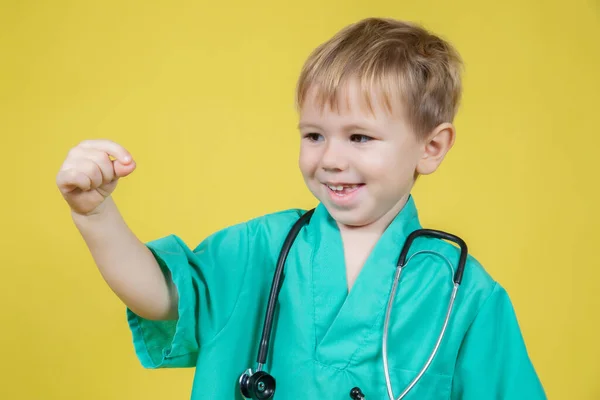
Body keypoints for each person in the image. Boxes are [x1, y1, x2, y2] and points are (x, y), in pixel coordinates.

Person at [56, 17, 546, 399]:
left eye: (360, 136)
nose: (331, 159)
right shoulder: (262, 248)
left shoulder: (465, 296)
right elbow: (161, 297)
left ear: (431, 148)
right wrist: (96, 216)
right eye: (314, 135)